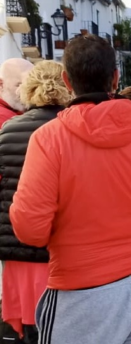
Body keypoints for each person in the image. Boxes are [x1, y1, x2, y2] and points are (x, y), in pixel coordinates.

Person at [9, 35, 131, 344]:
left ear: (67, 80)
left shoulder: (49, 140)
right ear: (115, 78)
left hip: (80, 291)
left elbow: (31, 229)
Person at [0, 61, 72, 344]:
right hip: (62, 251)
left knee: (28, 329)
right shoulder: (72, 127)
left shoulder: (7, 131)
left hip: (17, 249)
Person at [0, 59, 33, 126]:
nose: (26, 92)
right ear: (1, 84)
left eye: (31, 87)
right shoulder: (4, 118)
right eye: (18, 85)